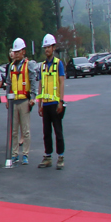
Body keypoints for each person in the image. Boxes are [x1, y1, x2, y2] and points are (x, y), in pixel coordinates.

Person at [37, 34, 67, 170]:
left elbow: (61, 82)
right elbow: (40, 84)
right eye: (45, 47)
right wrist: (40, 103)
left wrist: (61, 101)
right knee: (46, 132)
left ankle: (60, 157)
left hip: (55, 103)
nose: (47, 50)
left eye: (48, 47)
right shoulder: (42, 66)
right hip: (46, 103)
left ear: (53, 48)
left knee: (58, 131)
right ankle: (47, 156)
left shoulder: (58, 63)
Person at [3, 38, 33, 165]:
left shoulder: (29, 65)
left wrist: (33, 97)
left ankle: (25, 154)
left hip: (24, 101)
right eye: (14, 52)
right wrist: (7, 98)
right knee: (14, 130)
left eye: (18, 51)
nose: (15, 54)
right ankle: (14, 154)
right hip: (14, 101)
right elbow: (8, 83)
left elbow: (33, 81)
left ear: (23, 52)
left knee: (25, 130)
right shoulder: (11, 67)